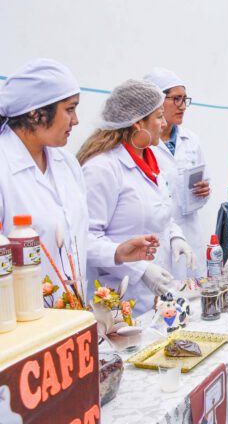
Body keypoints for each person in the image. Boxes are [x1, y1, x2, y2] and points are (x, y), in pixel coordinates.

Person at [0, 59, 158, 306]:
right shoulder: (4, 168)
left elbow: (78, 238)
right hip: (22, 325)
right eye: (70, 109)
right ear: (36, 113)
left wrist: (116, 252)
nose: (76, 120)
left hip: (71, 315)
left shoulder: (66, 164)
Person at [78, 79, 196, 315]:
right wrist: (140, 270)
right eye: (159, 117)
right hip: (121, 300)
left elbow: (161, 211)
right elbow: (85, 240)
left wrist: (175, 237)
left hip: (158, 295)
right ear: (137, 123)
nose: (164, 124)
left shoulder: (151, 161)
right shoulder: (102, 169)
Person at [144, 67, 210, 281]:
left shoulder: (191, 140)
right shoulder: (143, 143)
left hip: (189, 229)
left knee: (194, 293)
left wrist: (204, 191)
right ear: (156, 101)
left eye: (185, 99)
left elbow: (205, 182)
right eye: (176, 99)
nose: (183, 106)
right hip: (158, 236)